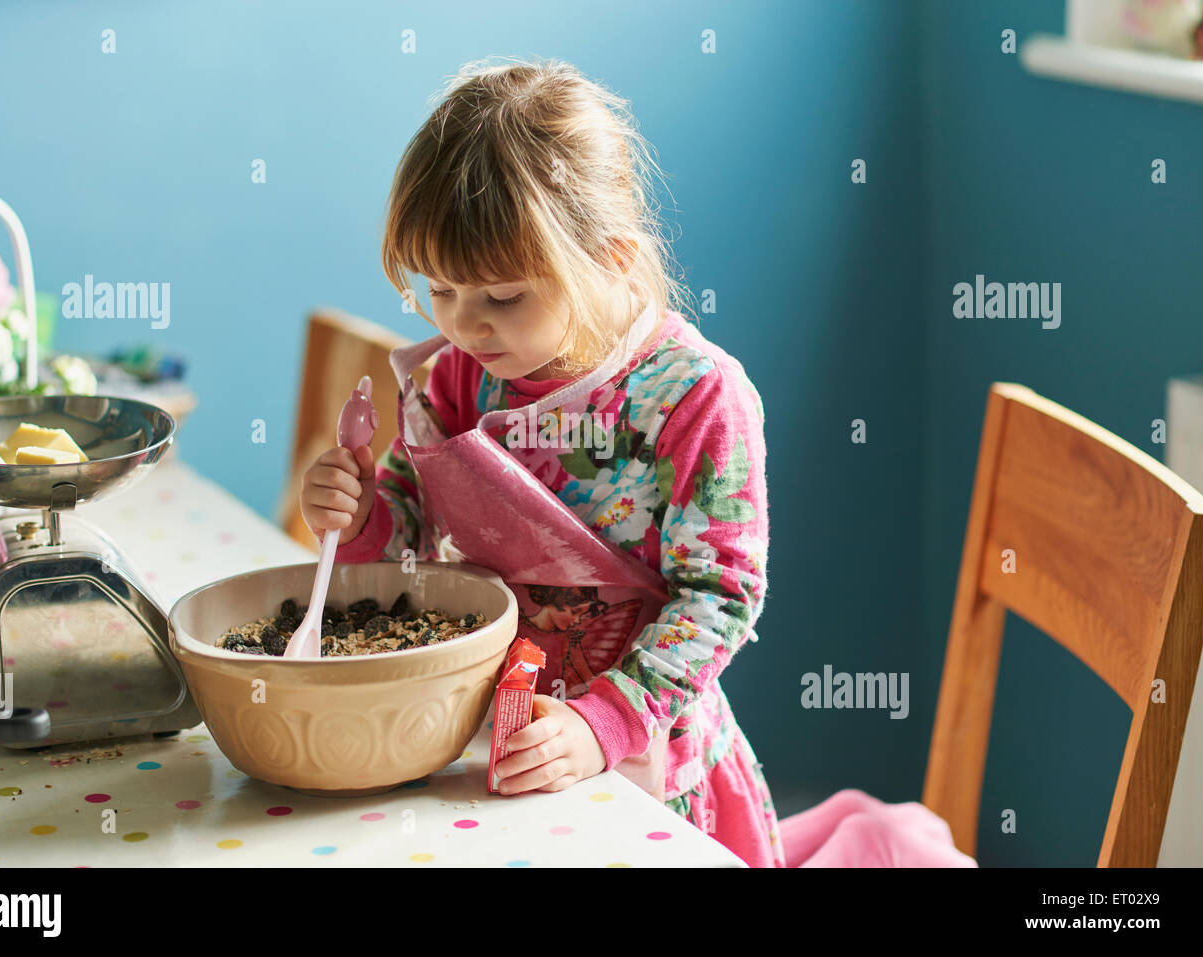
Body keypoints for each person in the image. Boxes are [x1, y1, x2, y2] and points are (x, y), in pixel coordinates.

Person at [301, 56, 973, 869]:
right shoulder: (459, 374)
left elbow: (721, 597)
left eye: (502, 296)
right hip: (493, 726)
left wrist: (602, 722)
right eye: (439, 291)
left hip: (640, 752)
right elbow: (410, 532)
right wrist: (362, 513)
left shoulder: (693, 397)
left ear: (611, 256)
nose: (465, 326)